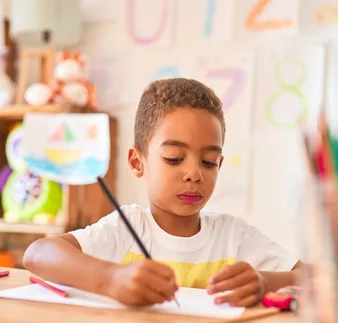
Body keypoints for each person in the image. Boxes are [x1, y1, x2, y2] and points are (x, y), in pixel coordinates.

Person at [23, 78, 303, 307]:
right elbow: (38, 254)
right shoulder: (127, 229)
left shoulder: (233, 237)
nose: (195, 173)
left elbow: (320, 278)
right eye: (173, 158)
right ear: (137, 162)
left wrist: (265, 282)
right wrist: (110, 279)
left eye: (208, 162)